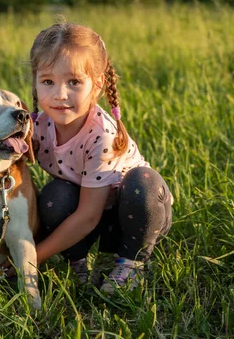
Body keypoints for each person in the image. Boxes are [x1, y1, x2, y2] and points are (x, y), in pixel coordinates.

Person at [11, 22, 173, 292]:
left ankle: (131, 262)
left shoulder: (101, 136)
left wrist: (30, 259)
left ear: (97, 84)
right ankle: (78, 259)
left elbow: (87, 216)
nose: (60, 94)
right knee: (54, 196)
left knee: (142, 182)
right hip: (91, 211)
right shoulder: (37, 127)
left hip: (135, 213)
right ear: (35, 82)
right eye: (48, 81)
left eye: (74, 82)